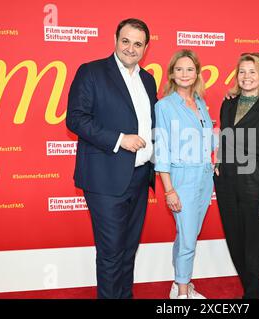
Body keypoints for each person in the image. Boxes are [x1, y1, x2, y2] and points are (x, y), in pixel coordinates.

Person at [66, 18, 157, 299]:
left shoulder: (148, 79)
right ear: (115, 39)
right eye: (126, 41)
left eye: (138, 44)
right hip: (105, 177)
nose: (131, 48)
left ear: (145, 48)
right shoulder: (91, 72)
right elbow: (76, 119)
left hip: (140, 178)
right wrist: (120, 139)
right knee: (110, 252)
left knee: (129, 249)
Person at [214, 53, 259, 299]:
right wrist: (219, 161)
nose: (246, 77)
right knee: (235, 242)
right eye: (242, 71)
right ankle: (253, 290)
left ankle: (253, 295)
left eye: (252, 72)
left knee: (254, 246)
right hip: (226, 184)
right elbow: (225, 136)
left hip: (256, 183)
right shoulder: (228, 103)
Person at [154, 49, 214, 299]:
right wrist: (169, 189)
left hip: (204, 177)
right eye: (179, 69)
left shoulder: (200, 102)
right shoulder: (165, 106)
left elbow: (209, 140)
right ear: (171, 74)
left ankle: (180, 280)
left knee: (188, 233)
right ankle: (181, 292)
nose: (185, 74)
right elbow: (162, 150)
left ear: (197, 73)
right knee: (188, 237)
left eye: (190, 69)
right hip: (182, 179)